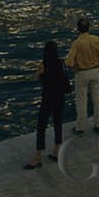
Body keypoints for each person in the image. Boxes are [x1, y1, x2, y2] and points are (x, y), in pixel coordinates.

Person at [64, 16, 99, 134]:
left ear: (78, 29)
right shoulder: (96, 39)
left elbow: (68, 62)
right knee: (97, 99)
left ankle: (80, 127)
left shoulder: (77, 43)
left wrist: (74, 68)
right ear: (88, 27)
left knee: (81, 101)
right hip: (95, 71)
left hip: (82, 73)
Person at [25, 40, 70, 169]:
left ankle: (38, 156)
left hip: (48, 98)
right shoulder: (61, 63)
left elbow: (36, 77)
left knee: (41, 126)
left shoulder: (43, 65)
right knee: (57, 122)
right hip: (59, 97)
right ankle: (57, 150)